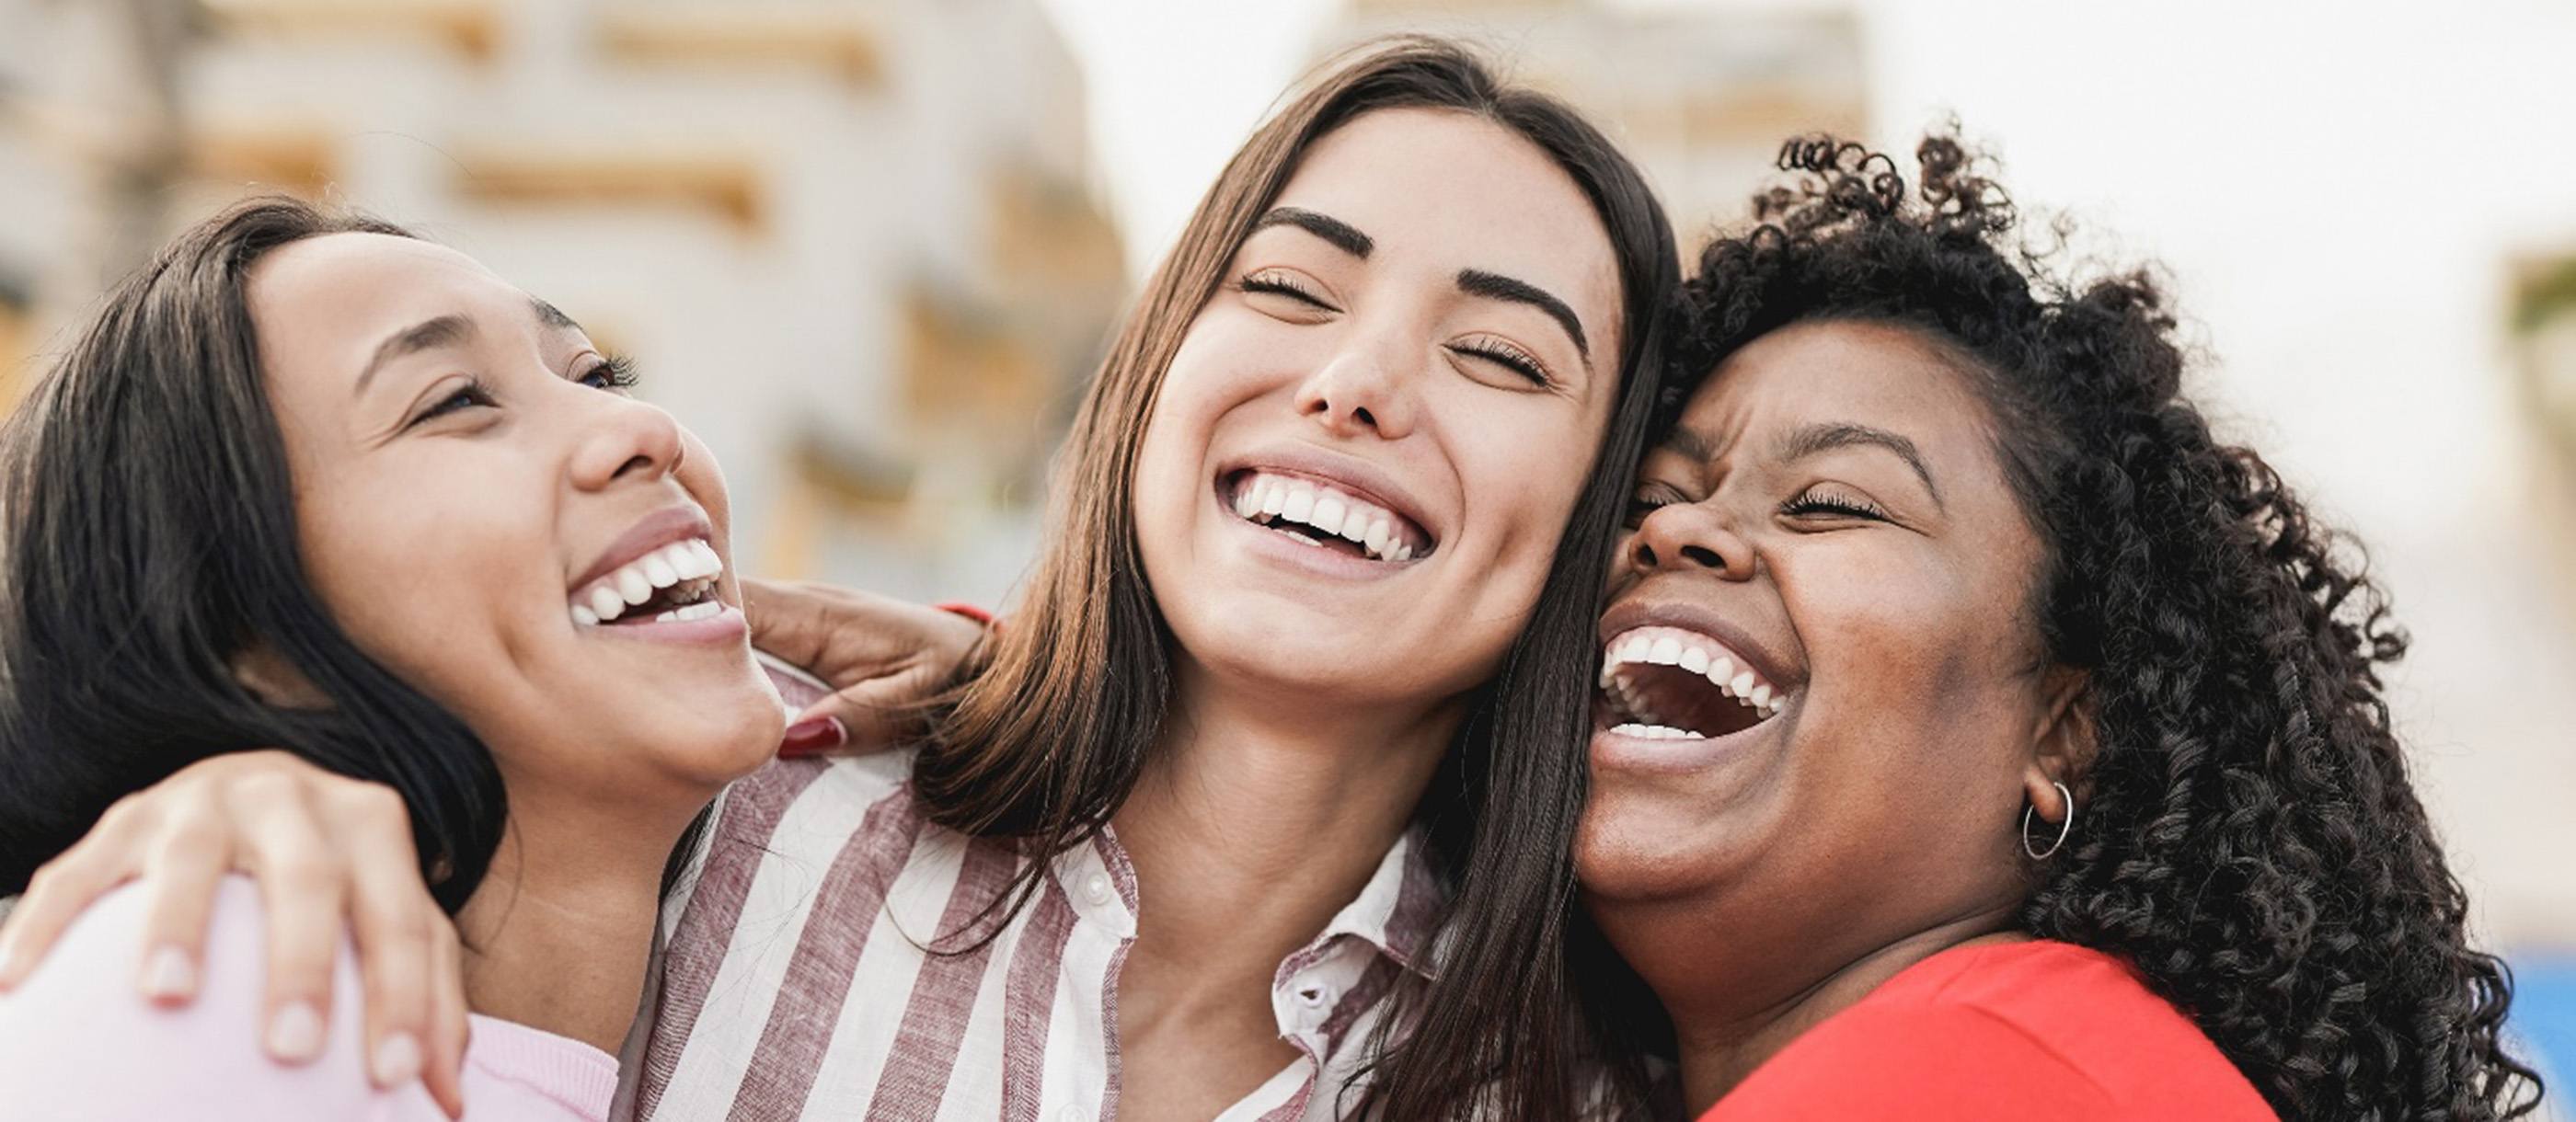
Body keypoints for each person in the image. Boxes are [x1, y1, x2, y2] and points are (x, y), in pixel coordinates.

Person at [0, 38, 1681, 1120]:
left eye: (1502, 357)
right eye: (1294, 293)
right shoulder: (725, 795)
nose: (1360, 382)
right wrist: (218, 786)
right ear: (1152, 371)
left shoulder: (1595, 1078)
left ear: (1607, 512)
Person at [1547, 134, 2545, 1119]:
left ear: (2060, 727)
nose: (1676, 526)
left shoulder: (1972, 1068)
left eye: (1830, 502)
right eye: (1649, 495)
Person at [0, 200, 790, 1118]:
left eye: (597, 375)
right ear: (246, 640)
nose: (644, 430)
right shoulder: (211, 979)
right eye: (457, 400)